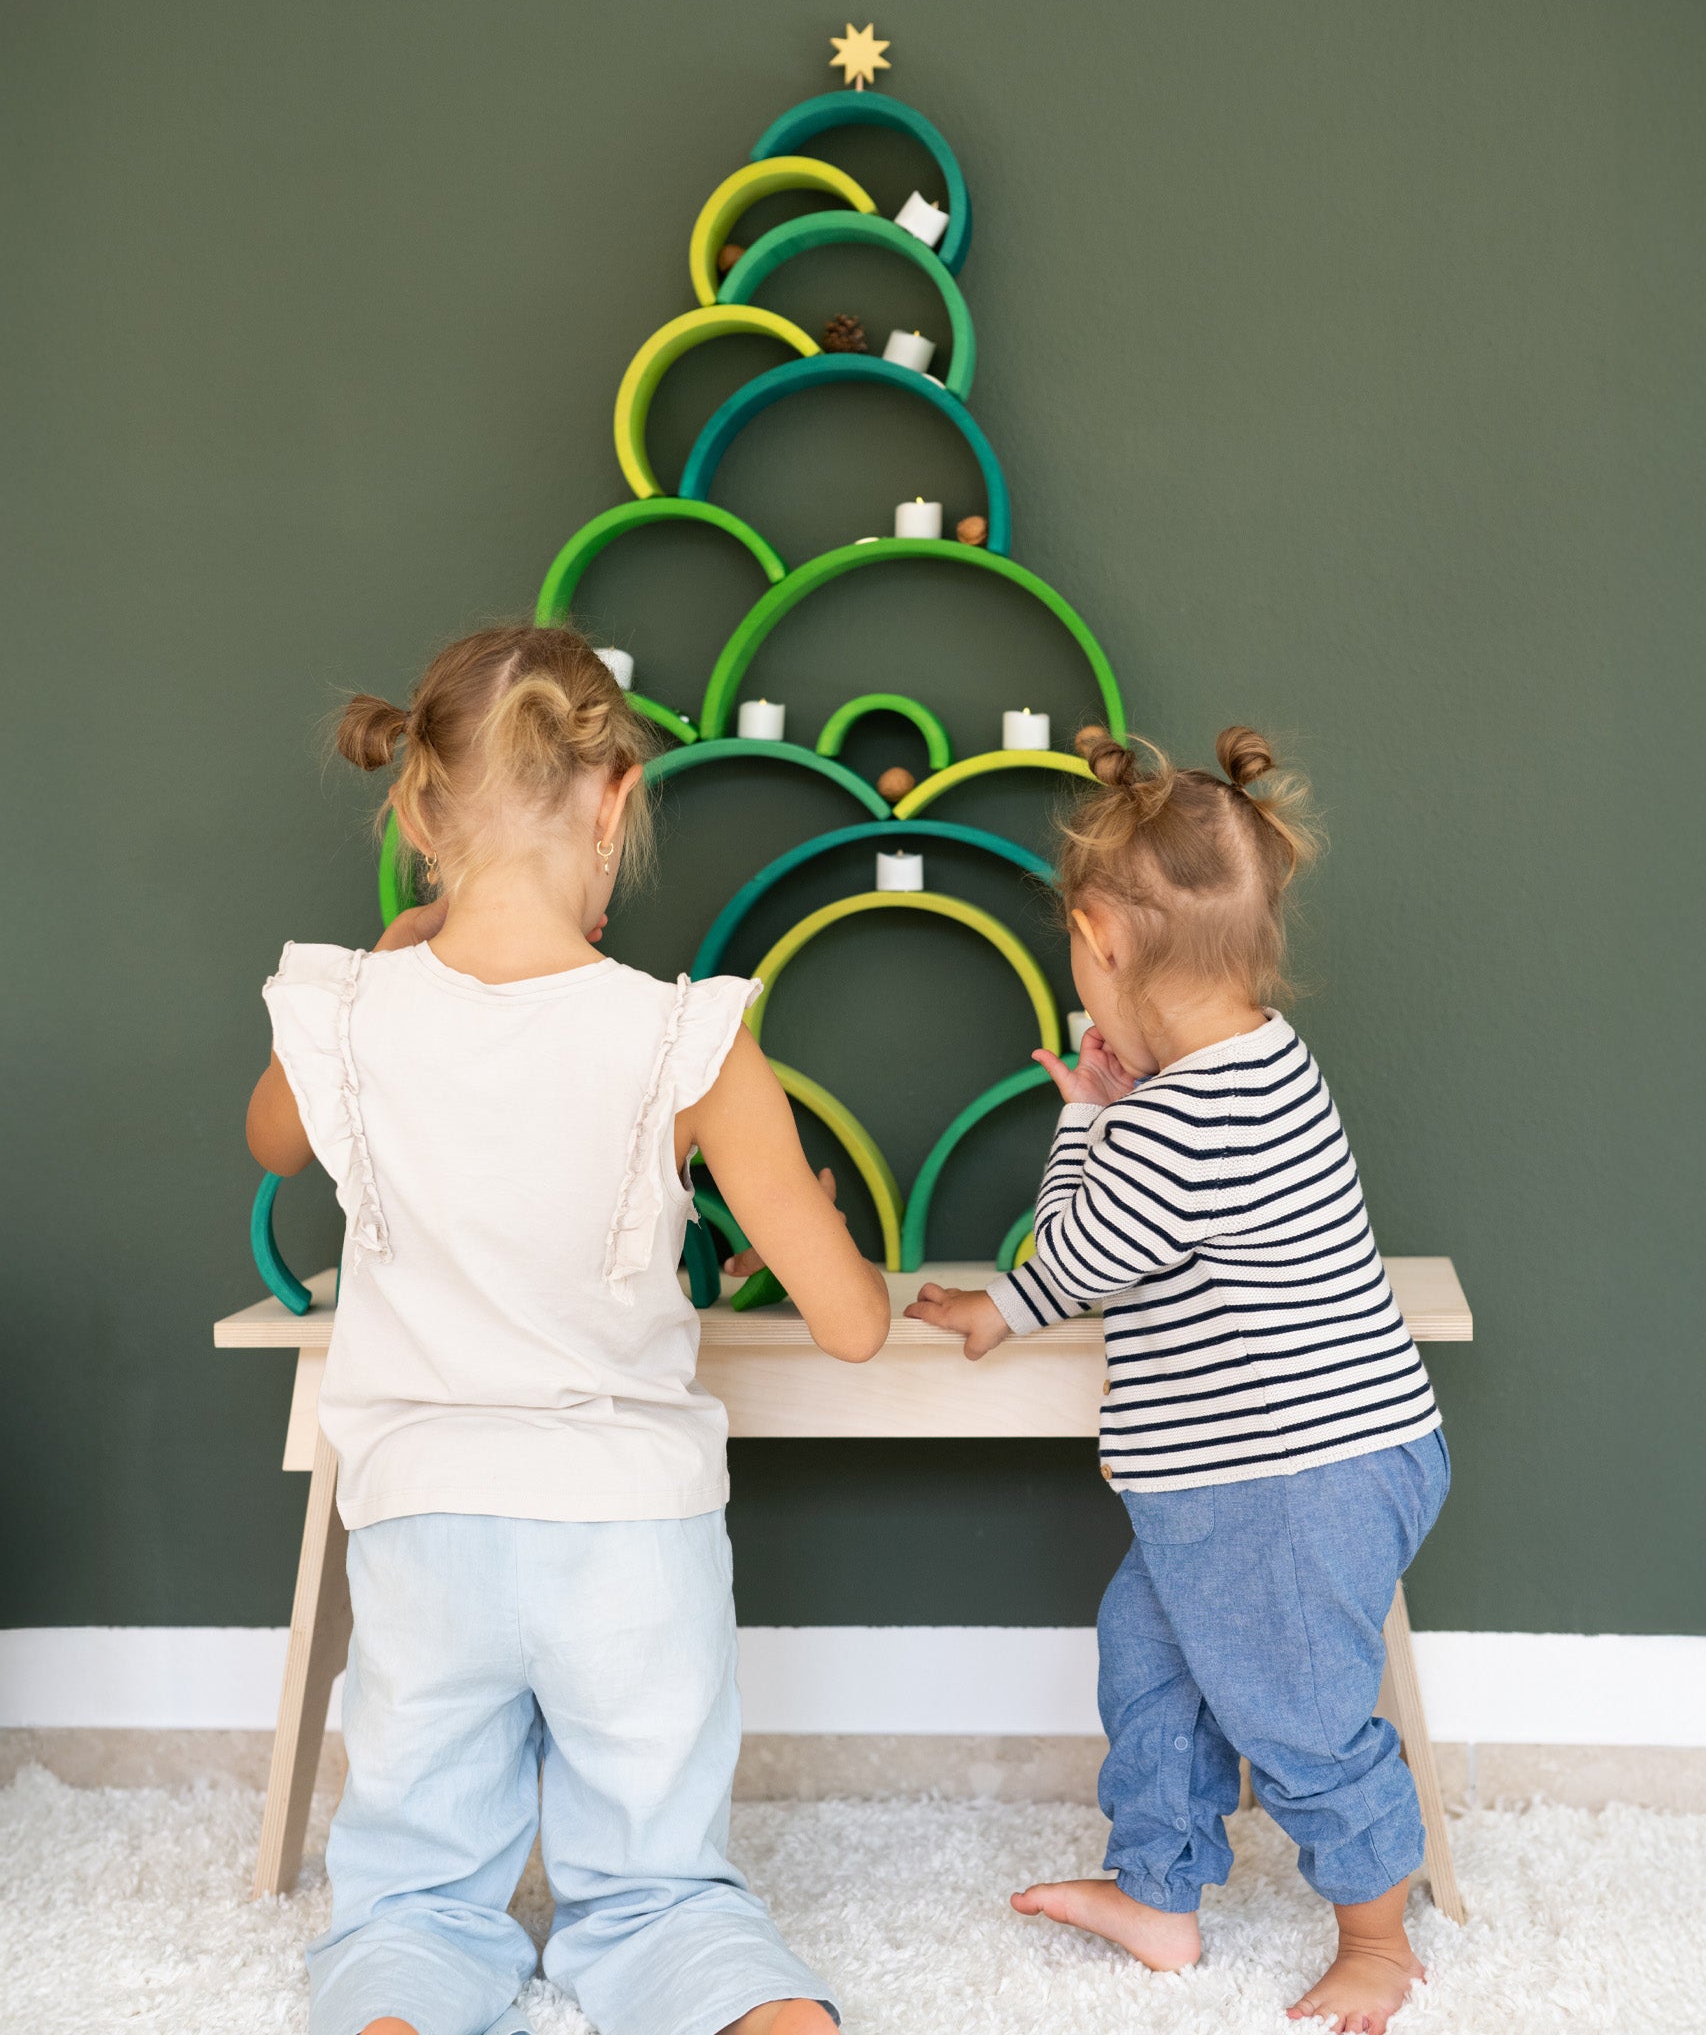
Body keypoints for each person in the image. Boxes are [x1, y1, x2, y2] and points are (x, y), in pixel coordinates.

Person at [246, 623, 889, 2035]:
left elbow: (274, 1138)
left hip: (424, 1524)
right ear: (613, 803)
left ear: (414, 806)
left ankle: (401, 2008)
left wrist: (392, 953)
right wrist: (817, 1218)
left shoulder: (343, 1012)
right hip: (629, 1538)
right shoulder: (688, 1043)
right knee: (665, 1894)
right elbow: (847, 1325)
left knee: (412, 1898)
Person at [907, 725, 1447, 2035]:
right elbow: (1125, 1229)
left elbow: (1077, 1256)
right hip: (1257, 1475)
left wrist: (1005, 1287)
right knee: (1148, 1658)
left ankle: (1376, 1936)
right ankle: (1158, 1888)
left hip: (1287, 1477)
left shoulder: (1180, 1115)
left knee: (1298, 1710)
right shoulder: (1247, 1066)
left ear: (1097, 939)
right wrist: (1109, 1105)